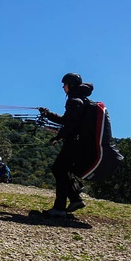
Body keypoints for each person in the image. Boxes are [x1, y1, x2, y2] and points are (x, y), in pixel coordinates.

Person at [38, 72, 92, 217]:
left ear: (71, 85)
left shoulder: (75, 101)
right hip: (78, 144)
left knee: (58, 169)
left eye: (65, 84)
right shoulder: (80, 100)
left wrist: (58, 137)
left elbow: (70, 125)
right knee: (60, 170)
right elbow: (65, 120)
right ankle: (75, 200)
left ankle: (60, 208)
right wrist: (48, 114)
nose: (63, 87)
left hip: (74, 144)